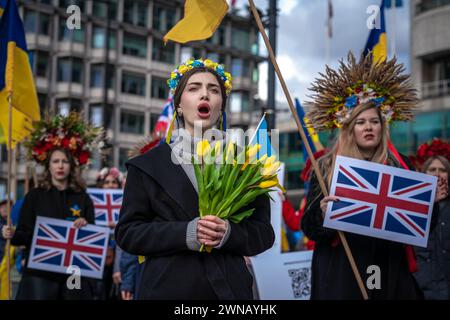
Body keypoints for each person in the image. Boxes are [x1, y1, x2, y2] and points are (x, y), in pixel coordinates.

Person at [115, 58, 275, 300]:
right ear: (179, 104)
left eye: (213, 90)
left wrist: (229, 233)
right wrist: (187, 232)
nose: (205, 95)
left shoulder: (246, 164)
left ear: (221, 105)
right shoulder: (147, 166)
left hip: (229, 293)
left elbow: (263, 234)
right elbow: (128, 234)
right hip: (167, 290)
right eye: (194, 88)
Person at [301, 52, 444, 300]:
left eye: (374, 121)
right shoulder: (325, 167)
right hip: (342, 269)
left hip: (388, 267)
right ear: (349, 129)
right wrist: (322, 213)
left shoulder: (401, 165)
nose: (368, 127)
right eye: (361, 122)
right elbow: (308, 227)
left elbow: (422, 226)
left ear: (382, 126)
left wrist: (430, 205)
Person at [1, 112, 101, 300]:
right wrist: (12, 234)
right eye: (56, 161)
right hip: (40, 272)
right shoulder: (34, 197)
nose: (60, 165)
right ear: (49, 167)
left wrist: (85, 225)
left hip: (74, 272)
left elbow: (94, 236)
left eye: (64, 161)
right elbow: (24, 233)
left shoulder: (83, 198)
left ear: (71, 166)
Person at [414, 154, 450, 299]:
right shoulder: (413, 206)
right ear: (424, 173)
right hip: (422, 286)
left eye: (442, 170)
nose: (437, 173)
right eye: (432, 169)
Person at [95, 167, 124, 299]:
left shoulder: (126, 202)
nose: (110, 185)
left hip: (118, 254)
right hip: (100, 254)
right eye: (107, 182)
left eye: (113, 182)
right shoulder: (93, 203)